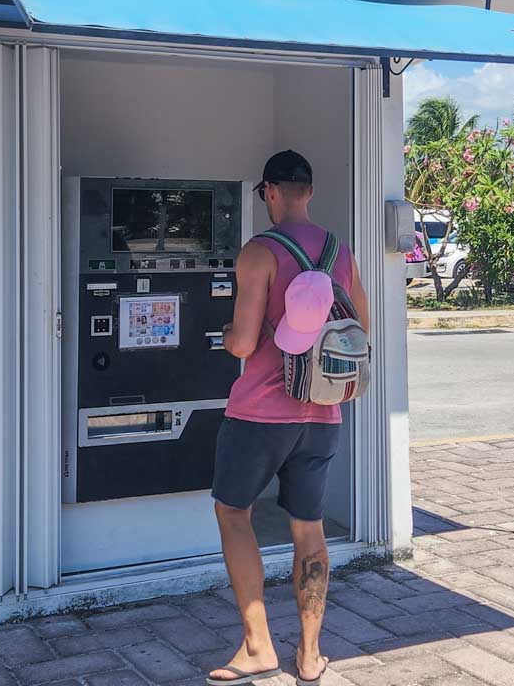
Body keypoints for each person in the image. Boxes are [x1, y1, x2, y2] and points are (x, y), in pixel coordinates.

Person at [208, 150, 369, 686]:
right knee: (309, 529)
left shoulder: (260, 251)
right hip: (322, 414)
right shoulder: (341, 253)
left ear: (270, 192)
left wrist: (225, 338)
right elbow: (360, 329)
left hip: (259, 414)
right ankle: (309, 656)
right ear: (311, 191)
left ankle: (257, 647)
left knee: (234, 514)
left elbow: (245, 342)